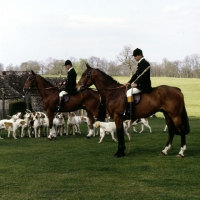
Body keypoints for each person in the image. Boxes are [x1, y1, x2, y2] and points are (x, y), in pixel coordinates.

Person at [123, 48, 152, 116]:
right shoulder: (140, 63)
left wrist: (137, 83)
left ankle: (130, 111)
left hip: (144, 85)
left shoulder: (145, 63)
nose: (134, 58)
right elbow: (136, 75)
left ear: (140, 55)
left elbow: (145, 76)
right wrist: (129, 82)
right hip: (140, 84)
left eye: (135, 56)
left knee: (129, 92)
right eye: (134, 56)